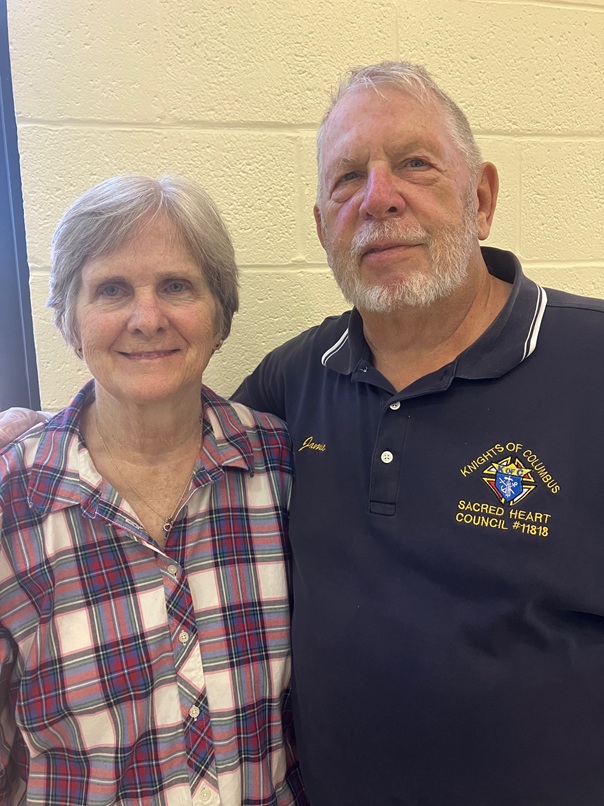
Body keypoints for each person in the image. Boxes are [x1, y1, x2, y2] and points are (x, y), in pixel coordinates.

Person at [4, 61, 604, 806]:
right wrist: (30, 437)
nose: (379, 197)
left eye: (415, 164)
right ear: (323, 227)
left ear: (479, 199)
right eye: (348, 178)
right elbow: (160, 417)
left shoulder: (590, 363)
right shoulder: (297, 385)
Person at [0, 175, 306, 805]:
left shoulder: (284, 470)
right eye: (111, 289)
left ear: (220, 317)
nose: (146, 319)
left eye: (176, 286)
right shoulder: (14, 501)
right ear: (69, 321)